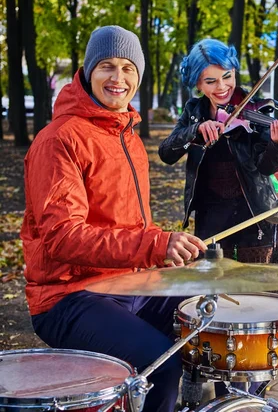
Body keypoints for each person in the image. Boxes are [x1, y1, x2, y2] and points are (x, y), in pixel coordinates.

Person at [21, 25, 207, 412]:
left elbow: (129, 226)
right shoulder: (59, 139)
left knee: (210, 321)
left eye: (127, 68)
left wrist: (165, 242)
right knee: (160, 361)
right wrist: (154, 245)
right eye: (107, 66)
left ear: (138, 76)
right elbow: (62, 238)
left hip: (128, 282)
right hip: (67, 296)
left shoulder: (127, 135)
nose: (117, 78)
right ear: (88, 71)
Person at [158, 38, 278, 265]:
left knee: (260, 289)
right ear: (198, 85)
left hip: (255, 214)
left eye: (227, 76)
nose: (221, 87)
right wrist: (195, 130)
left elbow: (266, 167)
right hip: (212, 216)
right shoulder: (194, 110)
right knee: (214, 288)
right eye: (210, 81)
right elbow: (166, 153)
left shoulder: (256, 108)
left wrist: (277, 145)